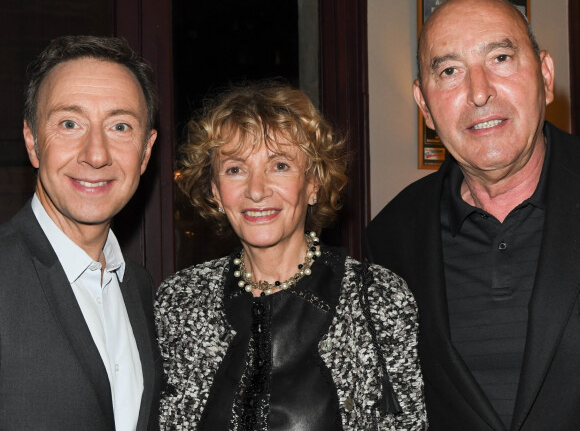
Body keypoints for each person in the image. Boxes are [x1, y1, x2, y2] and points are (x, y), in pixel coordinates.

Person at [155, 81, 427, 430]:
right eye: (235, 169)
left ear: (313, 183)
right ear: (216, 192)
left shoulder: (377, 297)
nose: (256, 190)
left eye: (279, 165)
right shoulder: (179, 301)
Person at [364, 0, 580, 430]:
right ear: (425, 105)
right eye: (449, 71)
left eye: (500, 58)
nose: (479, 92)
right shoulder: (389, 240)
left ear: (545, 74)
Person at [0, 36, 162, 430]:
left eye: (120, 126)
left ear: (145, 152)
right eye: (70, 124)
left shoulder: (139, 288)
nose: (96, 153)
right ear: (32, 141)